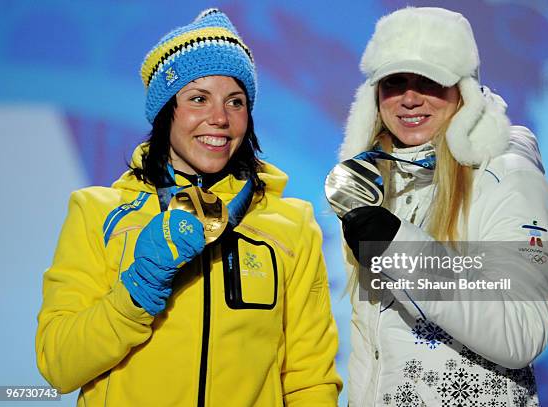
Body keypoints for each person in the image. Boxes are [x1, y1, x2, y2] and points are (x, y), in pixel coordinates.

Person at [36, 8, 341, 406]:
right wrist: (138, 289)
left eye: (235, 102)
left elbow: (310, 379)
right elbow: (59, 365)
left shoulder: (291, 223)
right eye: (198, 98)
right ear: (166, 112)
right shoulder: (97, 212)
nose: (219, 118)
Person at [334, 7, 548, 406]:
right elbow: (372, 350)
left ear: (465, 92)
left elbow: (521, 330)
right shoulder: (383, 183)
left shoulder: (507, 176)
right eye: (395, 82)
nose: (409, 98)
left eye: (429, 81)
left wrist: (400, 250)